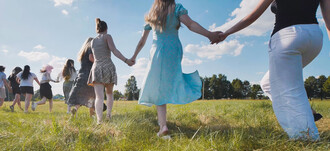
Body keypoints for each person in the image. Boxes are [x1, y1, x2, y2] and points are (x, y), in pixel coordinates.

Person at [217, 0, 330, 140]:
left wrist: (227, 32)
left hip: (287, 37)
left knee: (292, 90)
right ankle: (309, 113)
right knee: (267, 83)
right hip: (314, 38)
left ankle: (307, 139)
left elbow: (253, 16)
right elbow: (329, 22)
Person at [129, 0, 221, 137]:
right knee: (173, 79)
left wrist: (134, 56)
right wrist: (209, 34)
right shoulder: (177, 8)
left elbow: (142, 41)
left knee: (159, 86)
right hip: (173, 49)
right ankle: (164, 124)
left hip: (157, 50)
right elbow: (191, 24)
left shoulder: (152, 14)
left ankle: (163, 126)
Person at [88, 18, 134, 124]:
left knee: (99, 96)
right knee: (109, 94)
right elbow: (114, 50)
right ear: (106, 28)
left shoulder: (92, 41)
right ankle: (108, 115)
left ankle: (99, 120)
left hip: (96, 67)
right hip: (108, 66)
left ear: (97, 29)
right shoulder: (107, 37)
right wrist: (126, 60)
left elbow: (92, 56)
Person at [67, 38, 96, 117]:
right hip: (89, 76)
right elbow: (91, 58)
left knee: (81, 96)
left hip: (81, 75)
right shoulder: (90, 48)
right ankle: (92, 116)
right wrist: (99, 61)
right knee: (92, 95)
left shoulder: (82, 51)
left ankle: (75, 109)